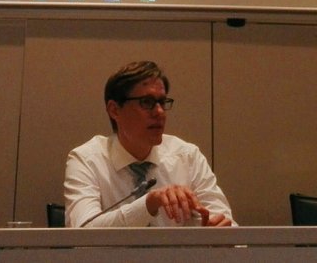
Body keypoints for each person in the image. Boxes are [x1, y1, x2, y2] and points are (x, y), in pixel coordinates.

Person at [64, 60, 235, 228]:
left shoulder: (187, 157)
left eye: (162, 102)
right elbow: (83, 232)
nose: (159, 112)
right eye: (146, 102)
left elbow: (226, 222)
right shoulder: (86, 160)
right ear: (114, 110)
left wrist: (219, 229)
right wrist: (147, 204)